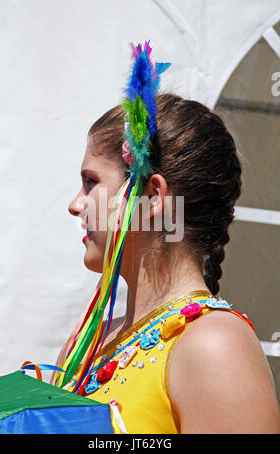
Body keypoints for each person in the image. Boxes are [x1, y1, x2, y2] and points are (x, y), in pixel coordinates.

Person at [53, 45, 280, 434]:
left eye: (91, 182)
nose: (76, 205)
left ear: (153, 197)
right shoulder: (89, 342)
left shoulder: (213, 347)